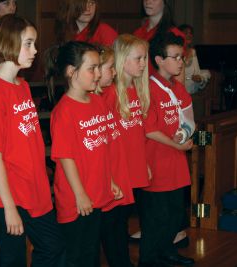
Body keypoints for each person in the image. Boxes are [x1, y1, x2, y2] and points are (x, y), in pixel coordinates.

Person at [0, 14, 65, 267]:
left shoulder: (22, 86)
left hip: (34, 189)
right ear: (8, 43)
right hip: (9, 196)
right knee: (13, 260)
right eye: (28, 43)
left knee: (54, 247)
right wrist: (8, 207)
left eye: (34, 43)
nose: (35, 50)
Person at [45, 41, 122, 267]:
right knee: (76, 256)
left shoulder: (98, 101)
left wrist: (110, 180)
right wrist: (80, 194)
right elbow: (65, 158)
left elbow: (101, 150)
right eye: (92, 68)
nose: (98, 74)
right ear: (71, 72)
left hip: (96, 192)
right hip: (76, 199)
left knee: (90, 253)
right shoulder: (64, 111)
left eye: (99, 67)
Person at [138, 32, 195, 267]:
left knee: (174, 215)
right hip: (158, 162)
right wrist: (176, 143)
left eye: (181, 57)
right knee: (156, 218)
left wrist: (186, 133)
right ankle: (149, 259)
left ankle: (166, 250)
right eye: (175, 57)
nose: (181, 62)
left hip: (176, 163)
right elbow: (149, 130)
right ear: (159, 60)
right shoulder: (149, 88)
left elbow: (187, 118)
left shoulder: (177, 88)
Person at [100, 34, 151, 267]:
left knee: (124, 219)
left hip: (133, 166)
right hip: (116, 169)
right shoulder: (110, 94)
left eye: (144, 58)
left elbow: (137, 135)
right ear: (122, 60)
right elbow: (106, 139)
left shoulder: (137, 92)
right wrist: (110, 174)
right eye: (138, 58)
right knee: (115, 223)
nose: (143, 63)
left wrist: (145, 163)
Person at [134, 0, 185, 83]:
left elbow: (178, 78)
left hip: (160, 91)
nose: (148, 2)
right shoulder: (137, 33)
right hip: (139, 88)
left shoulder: (174, 34)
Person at [178, 24, 211, 95]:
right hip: (177, 96)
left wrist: (200, 78)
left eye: (190, 33)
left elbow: (207, 73)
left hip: (194, 95)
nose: (189, 35)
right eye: (186, 33)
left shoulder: (197, 53)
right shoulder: (174, 53)